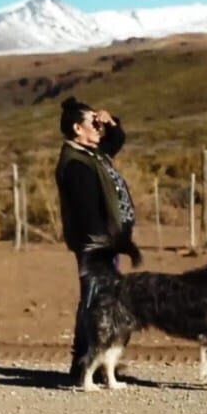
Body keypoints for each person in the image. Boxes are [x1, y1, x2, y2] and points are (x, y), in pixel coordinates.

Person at [55, 96, 137, 384]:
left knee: (105, 301)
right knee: (94, 301)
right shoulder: (76, 164)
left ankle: (101, 363)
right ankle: (83, 365)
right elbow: (87, 213)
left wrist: (111, 123)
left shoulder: (92, 154)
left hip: (106, 243)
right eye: (93, 122)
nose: (98, 127)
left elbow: (116, 141)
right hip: (97, 245)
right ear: (78, 128)